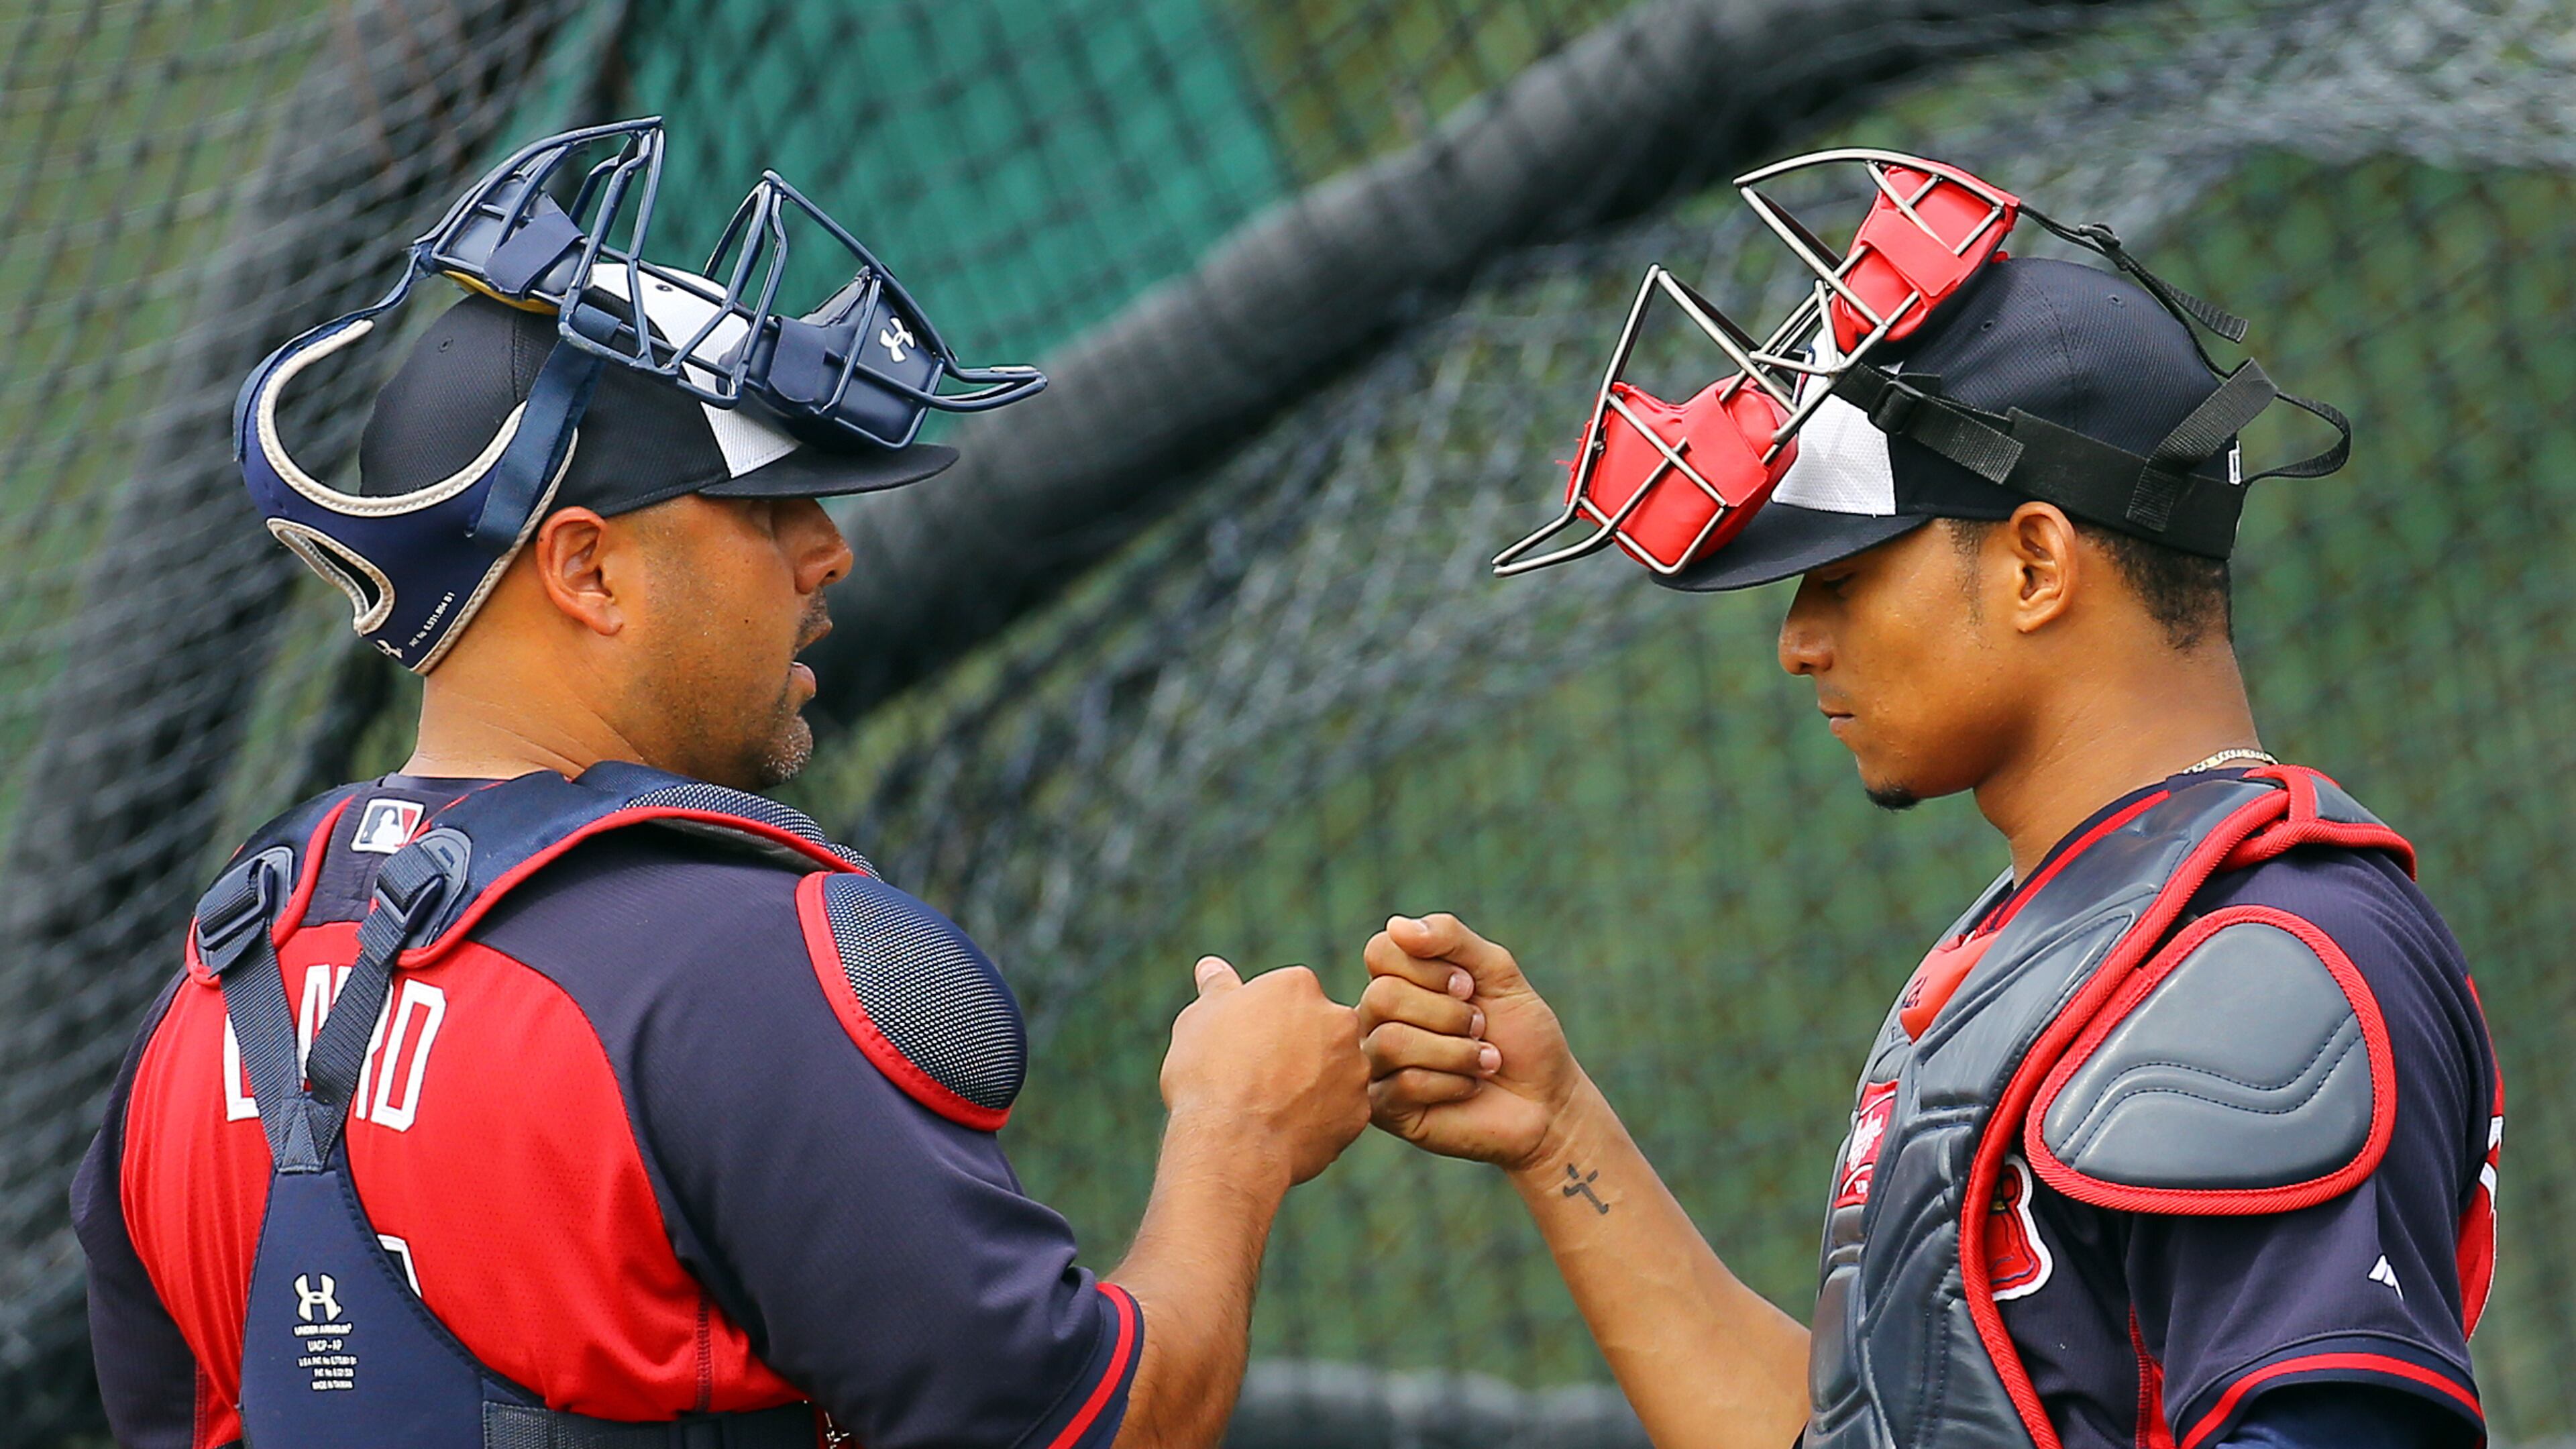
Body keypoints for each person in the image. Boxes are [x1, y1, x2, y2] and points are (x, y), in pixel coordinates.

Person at [73, 123, 1368, 1449]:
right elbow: (1093, 1432)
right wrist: (1239, 1132)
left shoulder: (203, 1004)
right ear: (586, 573)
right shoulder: (731, 973)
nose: (827, 553)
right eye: (764, 507)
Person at [1360, 153, 2502, 1449]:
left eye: (1843, 575)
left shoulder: (2264, 959)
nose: (1797, 642)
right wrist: (1555, 1130)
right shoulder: (2049, 944)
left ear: (2032, 564)